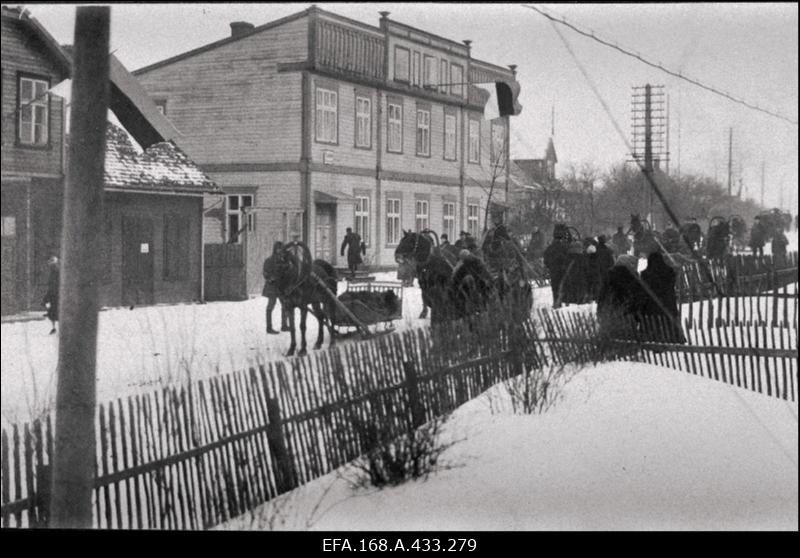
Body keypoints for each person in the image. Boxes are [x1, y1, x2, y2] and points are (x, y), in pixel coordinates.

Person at [596, 254, 645, 341]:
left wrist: (600, 312)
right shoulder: (633, 277)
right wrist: (638, 315)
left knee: (609, 339)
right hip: (628, 316)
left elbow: (602, 296)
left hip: (609, 314)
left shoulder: (608, 275)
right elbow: (638, 297)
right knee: (627, 340)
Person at [640, 251, 685, 343]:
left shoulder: (645, 274)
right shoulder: (669, 271)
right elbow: (672, 282)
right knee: (669, 320)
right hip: (668, 301)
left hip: (653, 303)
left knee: (655, 322)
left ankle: (656, 338)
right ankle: (674, 338)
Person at [262, 241, 290, 334]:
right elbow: (265, 273)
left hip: (281, 286)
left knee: (285, 305)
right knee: (271, 306)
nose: (279, 251)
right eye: (278, 249)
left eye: (281, 249)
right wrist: (270, 279)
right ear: (275, 249)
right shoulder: (269, 260)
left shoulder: (283, 260)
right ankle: (269, 328)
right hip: (272, 287)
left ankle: (284, 325)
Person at [543, 236, 569, 309]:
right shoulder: (563, 247)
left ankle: (556, 302)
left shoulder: (549, 248)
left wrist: (549, 266)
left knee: (555, 287)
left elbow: (545, 259)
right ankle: (565, 301)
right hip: (562, 270)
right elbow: (567, 257)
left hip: (553, 270)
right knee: (563, 286)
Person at [42, 256, 59, 335]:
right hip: (53, 294)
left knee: (55, 311)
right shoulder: (53, 272)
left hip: (56, 294)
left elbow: (55, 284)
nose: (50, 265)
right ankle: (54, 328)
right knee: (52, 310)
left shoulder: (56, 272)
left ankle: (55, 327)